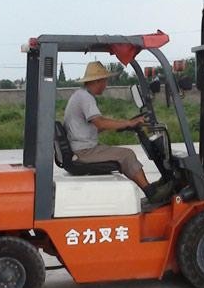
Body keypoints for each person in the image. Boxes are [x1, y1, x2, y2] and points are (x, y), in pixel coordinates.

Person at [64, 61, 173, 203]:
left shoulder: (81, 95)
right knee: (127, 155)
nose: (106, 84)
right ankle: (152, 194)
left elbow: (97, 126)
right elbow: (100, 122)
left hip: (81, 148)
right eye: (105, 81)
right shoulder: (85, 98)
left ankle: (154, 187)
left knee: (123, 153)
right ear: (97, 81)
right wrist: (128, 123)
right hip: (84, 152)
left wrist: (124, 124)